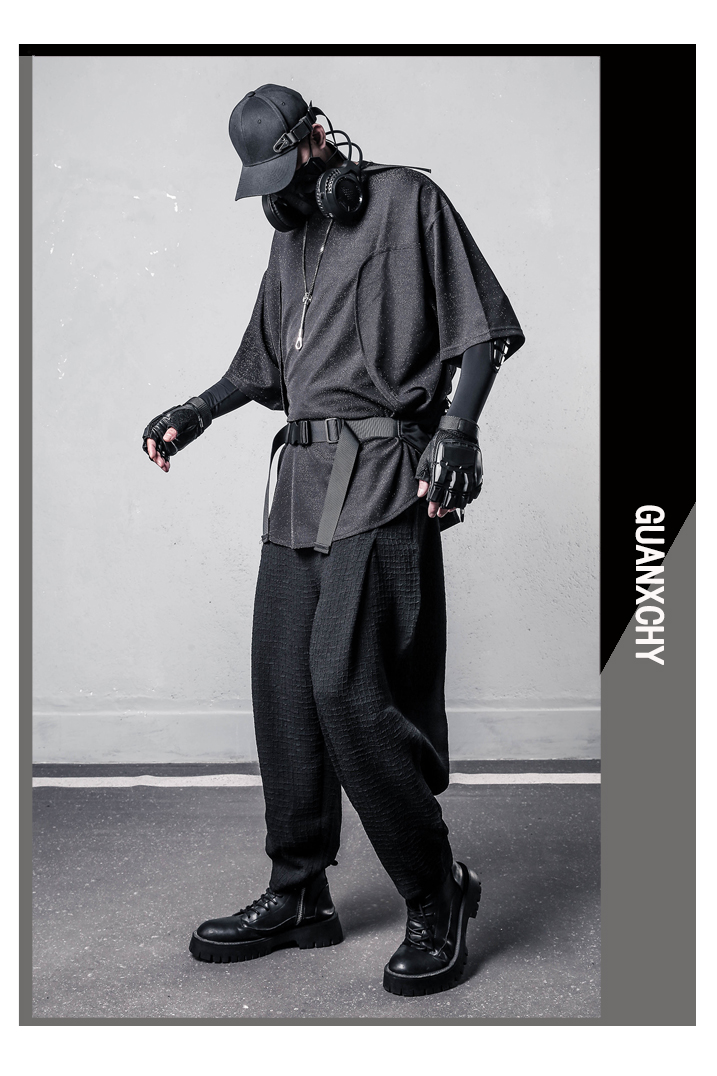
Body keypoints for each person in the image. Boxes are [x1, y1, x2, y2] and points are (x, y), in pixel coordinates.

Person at [143, 84, 525, 997]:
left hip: (384, 476)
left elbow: (481, 331)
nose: (279, 194)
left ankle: (437, 891)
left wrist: (458, 433)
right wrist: (197, 411)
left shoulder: (408, 201)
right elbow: (262, 362)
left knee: (345, 687)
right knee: (283, 687)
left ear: (319, 137)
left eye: (286, 168)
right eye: (265, 182)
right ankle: (299, 894)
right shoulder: (289, 240)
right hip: (300, 487)